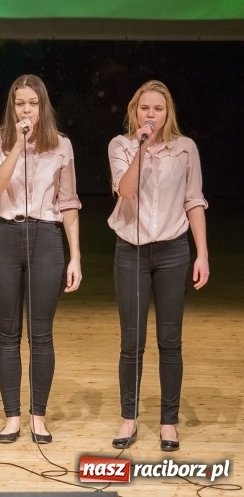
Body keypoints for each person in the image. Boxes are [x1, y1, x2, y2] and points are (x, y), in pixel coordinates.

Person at [108, 80, 209, 452]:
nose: (151, 115)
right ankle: (128, 419)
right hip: (131, 251)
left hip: (172, 251)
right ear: (135, 111)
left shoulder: (185, 150)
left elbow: (194, 199)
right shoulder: (121, 146)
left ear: (169, 114)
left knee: (170, 341)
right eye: (145, 108)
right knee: (132, 342)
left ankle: (169, 422)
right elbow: (127, 190)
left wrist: (202, 253)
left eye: (158, 109)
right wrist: (142, 146)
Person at [0, 75, 82, 444]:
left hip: (46, 236)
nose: (26, 109)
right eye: (20, 103)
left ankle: (38, 416)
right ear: (12, 107)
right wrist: (18, 145)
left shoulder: (62, 146)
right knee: (7, 333)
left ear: (43, 106)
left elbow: (70, 203)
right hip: (5, 235)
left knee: (41, 334)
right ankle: (11, 417)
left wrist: (76, 258)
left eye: (32, 103)